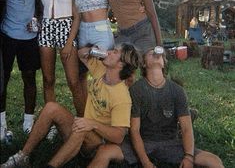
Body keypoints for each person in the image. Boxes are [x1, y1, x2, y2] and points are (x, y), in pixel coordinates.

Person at [0, 43, 140, 168]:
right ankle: (23, 156)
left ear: (121, 64)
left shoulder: (122, 97)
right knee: (51, 108)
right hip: (82, 131)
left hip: (97, 144)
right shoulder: (101, 70)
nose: (109, 52)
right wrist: (92, 50)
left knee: (82, 128)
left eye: (115, 52)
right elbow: (81, 54)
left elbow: (119, 136)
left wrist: (93, 124)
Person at [89, 47, 224, 168]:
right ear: (143, 63)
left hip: (170, 142)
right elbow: (134, 131)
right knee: (105, 151)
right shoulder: (137, 90)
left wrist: (188, 156)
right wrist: (145, 162)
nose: (155, 53)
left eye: (158, 52)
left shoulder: (177, 91)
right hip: (142, 142)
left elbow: (187, 128)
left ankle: (190, 115)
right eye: (150, 52)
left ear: (164, 62)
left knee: (213, 160)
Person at [0, 0, 50, 140]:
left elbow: (42, 3)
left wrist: (37, 19)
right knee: (1, 81)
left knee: (29, 79)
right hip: (5, 34)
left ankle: (28, 124)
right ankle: (1, 127)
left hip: (29, 37)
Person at [35, 0, 84, 116]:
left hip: (66, 28)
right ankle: (51, 120)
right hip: (46, 29)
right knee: (48, 80)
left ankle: (82, 121)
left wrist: (69, 44)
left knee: (73, 81)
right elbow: (38, 10)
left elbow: (77, 17)